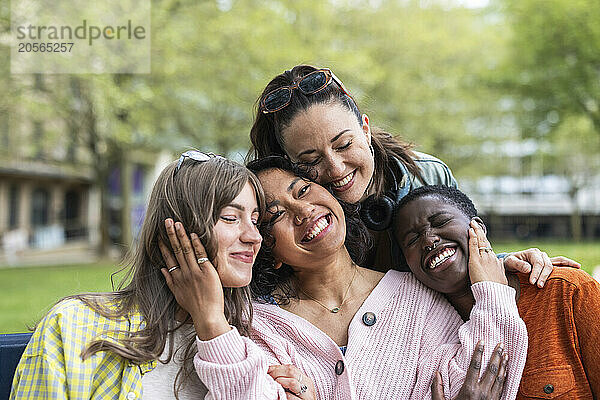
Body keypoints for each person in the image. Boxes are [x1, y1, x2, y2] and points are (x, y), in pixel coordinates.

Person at [161, 155, 527, 399]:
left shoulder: (416, 299)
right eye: (275, 216)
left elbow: (486, 376)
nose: (303, 210)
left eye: (303, 190)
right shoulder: (259, 328)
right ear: (266, 250)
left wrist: (492, 290)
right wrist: (210, 320)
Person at [247, 64, 578, 277]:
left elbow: (468, 254)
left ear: (364, 128)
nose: (335, 169)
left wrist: (508, 261)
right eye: (310, 160)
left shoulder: (428, 175)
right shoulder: (294, 218)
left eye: (344, 145)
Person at [10, 152, 268, 399]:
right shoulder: (73, 326)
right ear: (176, 228)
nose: (253, 237)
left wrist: (212, 324)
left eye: (255, 221)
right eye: (230, 217)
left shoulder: (262, 338)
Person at [393, 185, 600, 399]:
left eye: (440, 222)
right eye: (413, 240)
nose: (428, 240)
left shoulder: (566, 291)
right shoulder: (422, 340)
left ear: (479, 228)